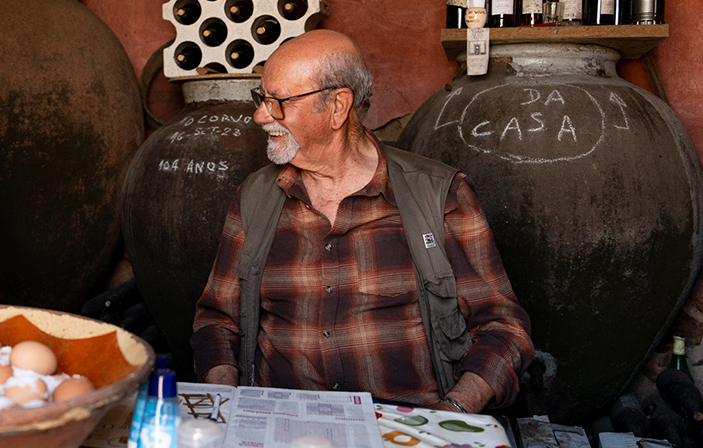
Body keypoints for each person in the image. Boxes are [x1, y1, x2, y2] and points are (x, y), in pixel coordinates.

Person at [191, 31, 532, 413]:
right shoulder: (255, 198)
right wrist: (226, 402)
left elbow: (504, 329)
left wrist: (452, 411)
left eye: (277, 102)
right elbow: (218, 320)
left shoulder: (439, 197)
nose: (260, 116)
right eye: (261, 98)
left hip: (408, 436)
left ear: (338, 107)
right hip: (283, 426)